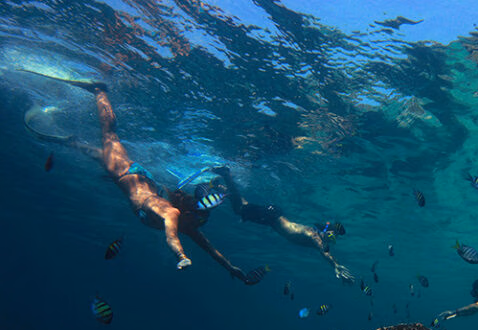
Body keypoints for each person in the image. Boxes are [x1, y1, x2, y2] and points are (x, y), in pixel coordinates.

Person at [23, 74, 250, 281]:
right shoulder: (170, 212)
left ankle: (66, 139)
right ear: (190, 213)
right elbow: (171, 238)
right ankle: (98, 91)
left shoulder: (187, 226)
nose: (199, 225)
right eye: (200, 220)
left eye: (201, 222)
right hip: (124, 172)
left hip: (129, 176)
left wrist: (231, 268)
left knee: (95, 151)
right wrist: (181, 256)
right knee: (110, 134)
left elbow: (210, 249)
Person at [210, 166, 356, 284]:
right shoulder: (313, 235)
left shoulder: (315, 237)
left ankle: (221, 188)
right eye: (331, 236)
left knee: (242, 206)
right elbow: (324, 252)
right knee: (239, 209)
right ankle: (226, 174)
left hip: (272, 217)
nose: (331, 240)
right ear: (326, 232)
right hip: (272, 217)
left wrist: (336, 263)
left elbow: (325, 252)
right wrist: (336, 266)